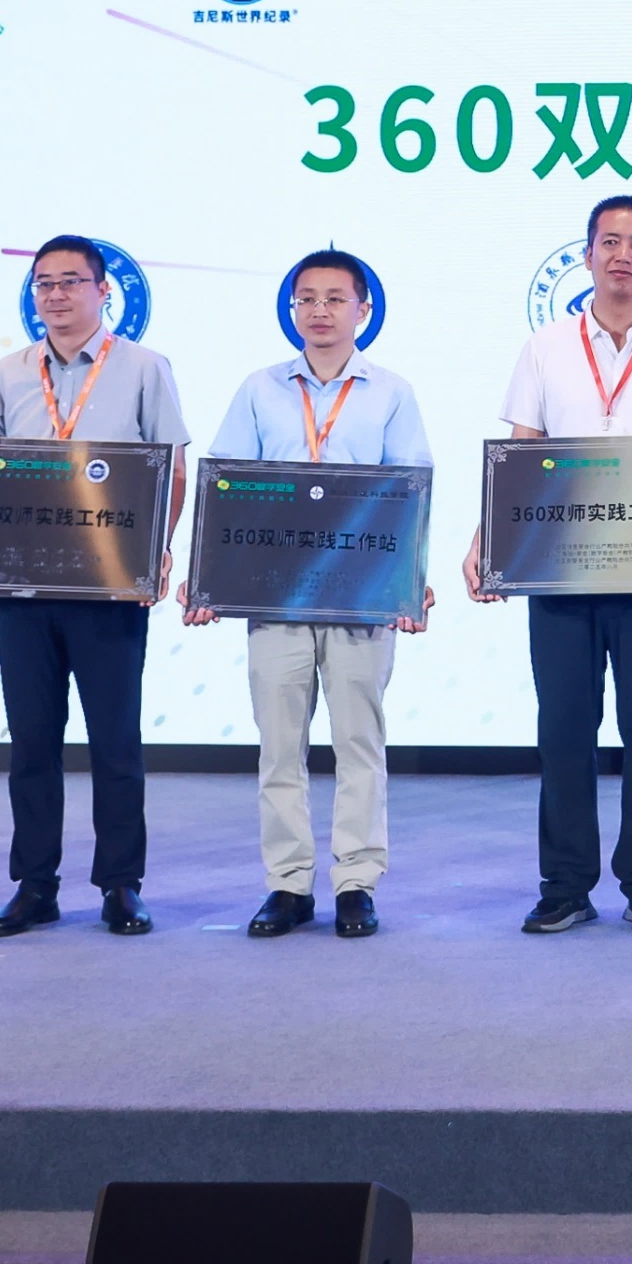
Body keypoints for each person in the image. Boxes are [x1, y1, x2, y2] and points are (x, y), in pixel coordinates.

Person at [463, 196, 632, 936]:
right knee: (563, 729)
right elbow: (521, 451)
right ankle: (565, 885)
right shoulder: (546, 346)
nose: (622, 255)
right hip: (560, 568)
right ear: (586, 256)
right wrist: (487, 538)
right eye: (609, 242)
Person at [186, 250, 432, 943]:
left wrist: (409, 583)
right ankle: (287, 884)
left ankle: (357, 883)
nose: (320, 310)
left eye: (334, 298)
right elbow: (226, 485)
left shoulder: (391, 393)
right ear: (291, 309)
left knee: (359, 743)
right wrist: (207, 578)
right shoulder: (259, 389)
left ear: (363, 310)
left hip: (361, 598)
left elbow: (410, 493)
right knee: (279, 746)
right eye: (307, 298)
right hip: (277, 596)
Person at [0, 235, 188, 939]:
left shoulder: (145, 368)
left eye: (70, 282)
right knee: (32, 742)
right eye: (44, 283)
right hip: (24, 589)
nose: (56, 295)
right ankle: (34, 885)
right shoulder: (8, 373)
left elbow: (172, 471)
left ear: (102, 291)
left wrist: (154, 555)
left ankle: (121, 884)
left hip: (109, 587)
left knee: (115, 741)